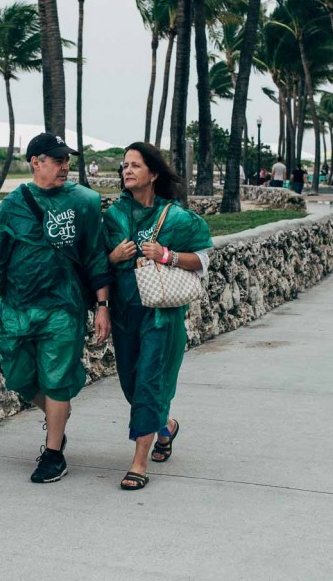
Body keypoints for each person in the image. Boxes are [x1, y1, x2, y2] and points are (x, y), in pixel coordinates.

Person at [0, 132, 112, 484]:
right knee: (18, 377)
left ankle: (53, 454)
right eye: (58, 160)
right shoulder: (14, 204)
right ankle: (57, 417)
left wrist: (103, 305)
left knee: (57, 379)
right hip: (17, 307)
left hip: (63, 307)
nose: (65, 167)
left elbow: (95, 256)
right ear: (36, 162)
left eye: (67, 160)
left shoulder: (83, 202)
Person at [102, 142, 213, 490]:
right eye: (124, 165)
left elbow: (203, 259)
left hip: (161, 317)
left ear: (153, 174)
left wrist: (167, 255)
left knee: (150, 381)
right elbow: (95, 265)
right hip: (124, 314)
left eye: (135, 165)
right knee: (132, 384)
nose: (127, 170)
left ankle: (139, 462)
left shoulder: (176, 217)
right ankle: (166, 427)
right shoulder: (113, 217)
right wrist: (113, 257)